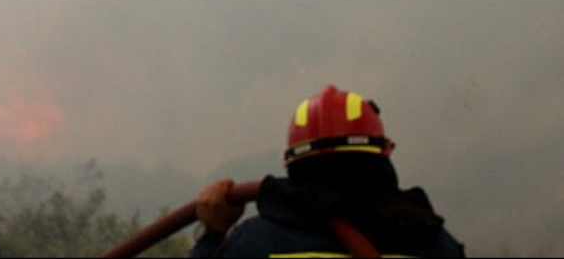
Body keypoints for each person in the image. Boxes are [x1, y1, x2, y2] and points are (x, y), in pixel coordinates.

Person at [190, 85, 465, 258]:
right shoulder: (435, 244)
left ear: (294, 163)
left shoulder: (256, 242)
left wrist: (212, 232)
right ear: (382, 155)